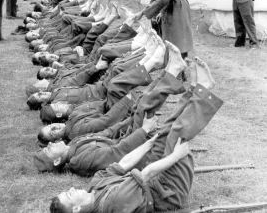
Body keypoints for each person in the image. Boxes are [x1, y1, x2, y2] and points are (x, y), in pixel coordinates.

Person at [49, 49, 224, 213]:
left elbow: (123, 163)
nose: (71, 188)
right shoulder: (111, 203)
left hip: (152, 175)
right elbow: (145, 173)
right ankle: (202, 89)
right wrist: (175, 156)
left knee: (166, 127)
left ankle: (196, 87)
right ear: (76, 209)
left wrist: (149, 143)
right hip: (168, 191)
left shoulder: (94, 187)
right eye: (70, 195)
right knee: (176, 134)